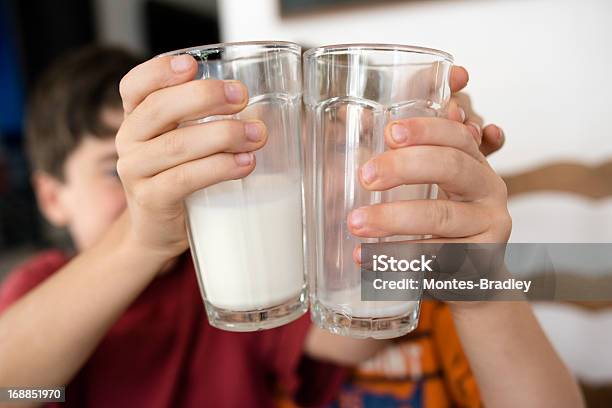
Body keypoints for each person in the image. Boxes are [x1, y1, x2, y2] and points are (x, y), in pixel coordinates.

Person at [0, 45, 583, 408]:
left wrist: (467, 266)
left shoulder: (240, 277)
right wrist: (141, 240)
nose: (155, 183)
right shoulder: (44, 298)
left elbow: (361, 321)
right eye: (113, 171)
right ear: (51, 197)